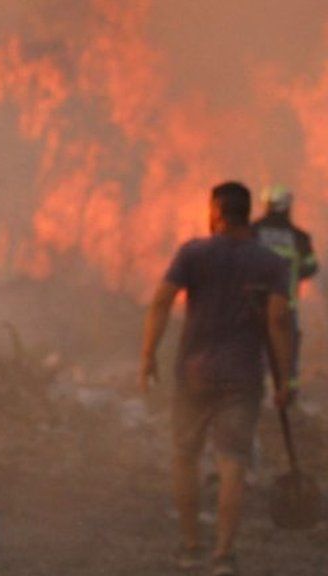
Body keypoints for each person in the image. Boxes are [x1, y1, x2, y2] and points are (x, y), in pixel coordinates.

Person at [140, 182, 294, 576]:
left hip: (194, 376)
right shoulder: (271, 262)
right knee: (233, 463)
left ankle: (190, 547)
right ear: (247, 213)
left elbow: (161, 301)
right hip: (243, 379)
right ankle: (223, 556)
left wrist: (148, 355)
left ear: (217, 213)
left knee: (185, 458)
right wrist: (286, 380)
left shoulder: (194, 253)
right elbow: (279, 321)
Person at [252, 184, 317, 383]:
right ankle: (287, 394)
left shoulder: (253, 231)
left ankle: (254, 396)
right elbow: (311, 267)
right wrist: (292, 274)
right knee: (287, 353)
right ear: (288, 206)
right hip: (286, 305)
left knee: (254, 351)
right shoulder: (299, 237)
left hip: (254, 305)